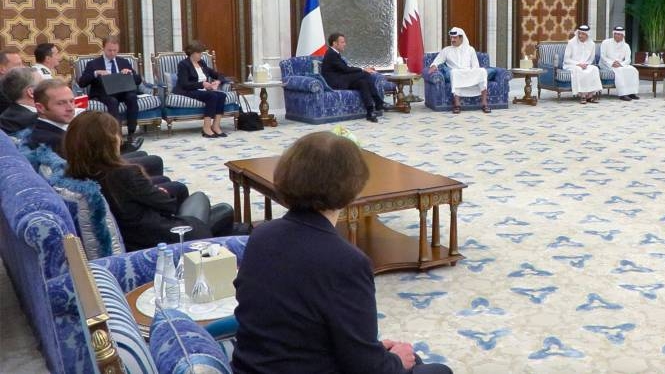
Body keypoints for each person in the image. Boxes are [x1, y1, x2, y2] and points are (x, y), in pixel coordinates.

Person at [232, 132, 451, 374]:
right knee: (434, 369)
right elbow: (367, 369)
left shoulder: (261, 236)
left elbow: (295, 322)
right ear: (353, 188)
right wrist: (395, 361)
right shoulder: (347, 261)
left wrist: (376, 350)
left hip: (253, 367)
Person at [63, 111, 240, 251]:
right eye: (117, 135)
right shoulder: (123, 173)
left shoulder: (76, 173)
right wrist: (157, 193)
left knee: (219, 215)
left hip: (134, 236)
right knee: (218, 207)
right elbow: (168, 204)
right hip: (158, 239)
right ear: (108, 142)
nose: (120, 140)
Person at [27, 79, 182, 197]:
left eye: (71, 101)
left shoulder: (51, 127)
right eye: (61, 103)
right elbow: (87, 170)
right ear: (40, 107)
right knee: (172, 183)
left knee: (149, 160)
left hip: (98, 172)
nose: (70, 108)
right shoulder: (49, 140)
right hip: (101, 184)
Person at [77, 36, 143, 151]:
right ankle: (117, 136)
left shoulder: (124, 62)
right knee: (112, 101)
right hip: (104, 93)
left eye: (115, 50)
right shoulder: (93, 64)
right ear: (103, 48)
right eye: (109, 50)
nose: (112, 53)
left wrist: (130, 73)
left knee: (132, 97)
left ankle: (131, 133)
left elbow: (138, 80)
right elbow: (82, 83)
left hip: (123, 91)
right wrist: (96, 73)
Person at [322, 33, 386, 123]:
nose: (345, 44)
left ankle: (370, 111)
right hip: (335, 82)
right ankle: (379, 102)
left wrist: (362, 71)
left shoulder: (335, 53)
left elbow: (344, 70)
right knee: (365, 74)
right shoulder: (331, 54)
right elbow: (345, 69)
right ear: (334, 43)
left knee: (362, 83)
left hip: (342, 79)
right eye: (342, 42)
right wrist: (363, 70)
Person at [428, 27, 490, 114]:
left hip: (469, 72)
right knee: (454, 73)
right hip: (457, 73)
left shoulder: (470, 49)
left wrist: (472, 72)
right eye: (451, 38)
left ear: (461, 38)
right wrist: (433, 66)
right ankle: (457, 105)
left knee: (483, 71)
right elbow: (437, 61)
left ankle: (484, 103)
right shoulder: (446, 50)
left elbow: (475, 65)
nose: (452, 40)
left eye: (455, 38)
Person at [175, 41, 229, 138]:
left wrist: (218, 81)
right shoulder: (183, 64)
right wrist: (202, 84)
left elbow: (217, 74)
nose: (201, 55)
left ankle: (216, 126)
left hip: (202, 90)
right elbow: (184, 84)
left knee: (221, 95)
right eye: (199, 53)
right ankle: (206, 128)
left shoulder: (202, 63)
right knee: (212, 96)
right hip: (188, 90)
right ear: (192, 53)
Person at [563, 24, 603, 104]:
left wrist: (585, 64)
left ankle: (590, 95)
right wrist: (578, 64)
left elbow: (591, 59)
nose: (580, 36)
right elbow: (566, 59)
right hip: (572, 65)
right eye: (579, 33)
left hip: (585, 65)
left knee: (594, 69)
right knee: (579, 70)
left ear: (587, 35)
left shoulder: (592, 44)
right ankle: (582, 96)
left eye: (583, 34)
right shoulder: (571, 43)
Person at [599, 26, 640, 101]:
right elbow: (603, 56)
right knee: (619, 71)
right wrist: (612, 63)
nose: (617, 36)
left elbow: (628, 59)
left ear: (623, 35)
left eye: (619, 34)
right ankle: (622, 94)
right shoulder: (606, 42)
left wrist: (621, 64)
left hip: (621, 64)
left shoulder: (626, 45)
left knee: (633, 70)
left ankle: (631, 93)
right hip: (606, 64)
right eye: (615, 34)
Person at [0, 67, 41, 134]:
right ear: (31, 92)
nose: (48, 88)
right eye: (44, 84)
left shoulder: (6, 117)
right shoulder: (37, 121)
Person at [0, 46, 25, 114]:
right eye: (18, 64)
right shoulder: (3, 93)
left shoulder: (11, 86)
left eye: (22, 64)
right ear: (2, 69)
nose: (23, 67)